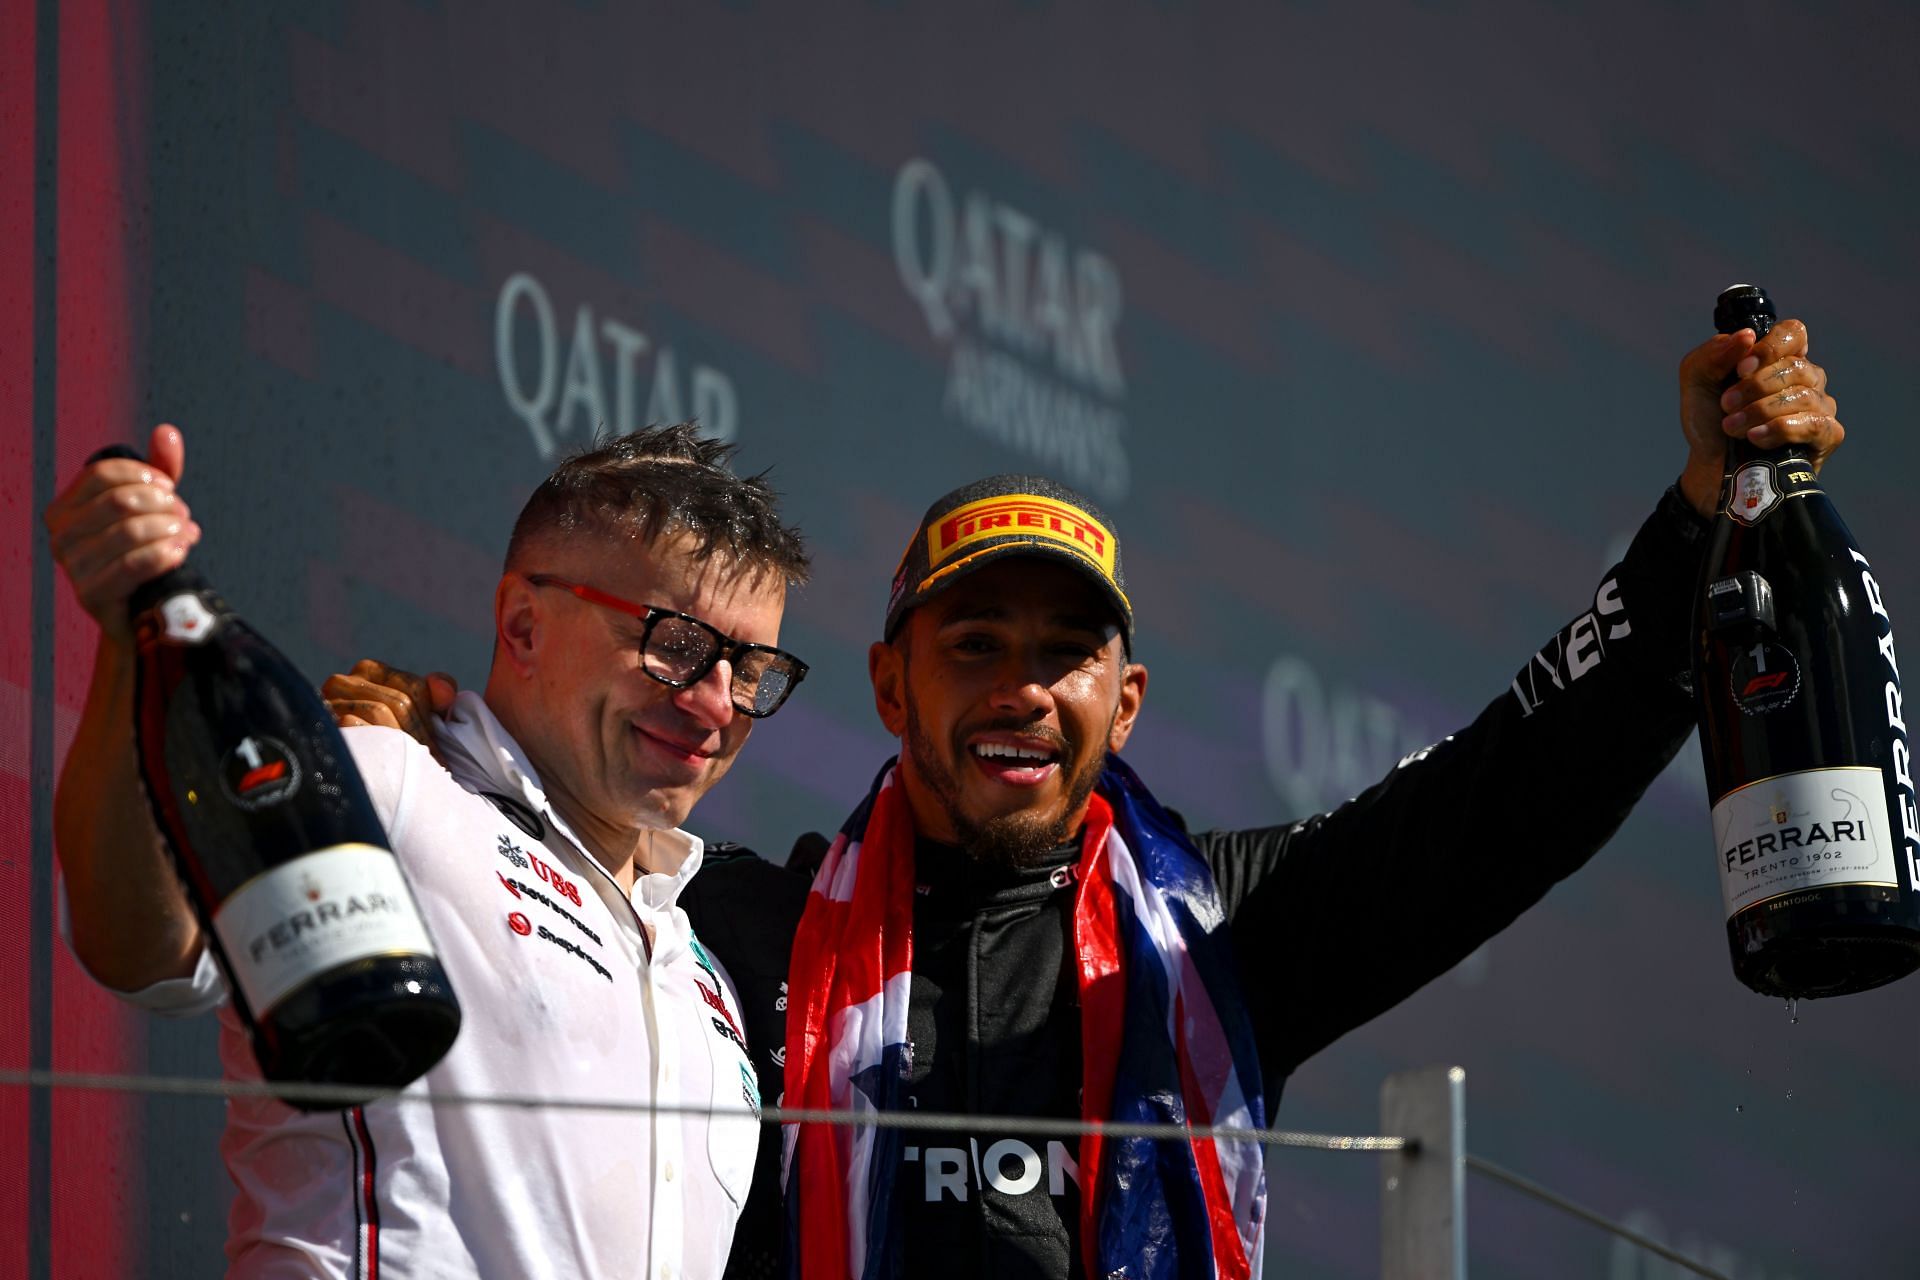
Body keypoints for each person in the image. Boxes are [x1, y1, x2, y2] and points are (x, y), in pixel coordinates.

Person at [342, 318, 1847, 1278]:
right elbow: (537, 882)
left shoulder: (1223, 940)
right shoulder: (728, 930)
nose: (1021, 688)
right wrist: (454, 750)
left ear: (1124, 705)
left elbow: (1507, 798)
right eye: (975, 646)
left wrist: (1701, 523)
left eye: (1067, 656)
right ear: (887, 686)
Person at [43, 422, 812, 1279]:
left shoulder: (698, 969)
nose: (716, 704)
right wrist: (128, 638)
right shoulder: (389, 782)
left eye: (751, 670)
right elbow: (144, 951)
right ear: (523, 624)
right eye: (676, 645)